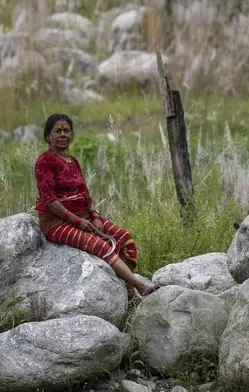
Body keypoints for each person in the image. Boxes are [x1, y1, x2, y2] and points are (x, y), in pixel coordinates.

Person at [34, 113, 159, 298]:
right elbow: (49, 199)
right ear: (47, 136)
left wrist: (95, 217)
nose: (62, 135)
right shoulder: (45, 161)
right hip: (57, 222)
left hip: (83, 216)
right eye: (57, 131)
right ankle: (141, 286)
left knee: (125, 238)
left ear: (72, 134)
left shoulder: (73, 161)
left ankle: (129, 291)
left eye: (66, 130)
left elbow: (84, 192)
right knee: (101, 245)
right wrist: (76, 221)